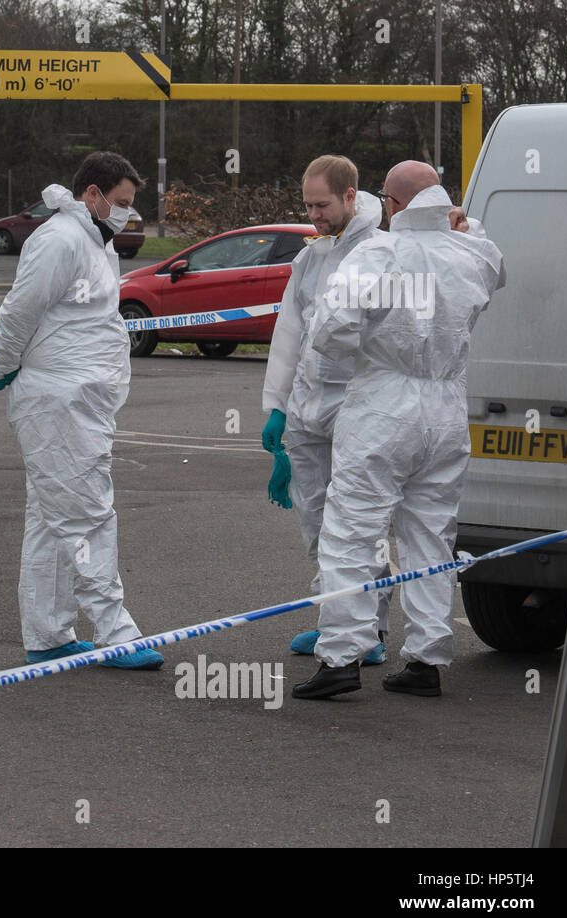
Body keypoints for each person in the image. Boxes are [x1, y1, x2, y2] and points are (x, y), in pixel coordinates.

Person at [292, 160, 505, 700]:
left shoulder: (380, 253)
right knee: (431, 531)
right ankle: (427, 656)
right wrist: (466, 225)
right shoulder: (471, 253)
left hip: (385, 403)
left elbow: (330, 331)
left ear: (391, 203)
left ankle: (342, 653)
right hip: (447, 403)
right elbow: (495, 263)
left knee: (351, 529)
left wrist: (366, 347)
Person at [0, 151, 163, 670]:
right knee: (86, 515)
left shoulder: (92, 242)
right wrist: (2, 366)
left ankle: (48, 632)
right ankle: (114, 631)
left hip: (79, 398)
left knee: (50, 517)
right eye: (122, 203)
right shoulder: (60, 240)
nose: (127, 213)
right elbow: (19, 310)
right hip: (58, 400)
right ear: (93, 194)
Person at [261, 156, 391, 665]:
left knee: (359, 525)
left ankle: (370, 627)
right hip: (309, 410)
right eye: (308, 205)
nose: (314, 214)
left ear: (351, 196)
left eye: (323, 204)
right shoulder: (310, 259)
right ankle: (333, 618)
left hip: (360, 406)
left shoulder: (381, 252)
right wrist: (277, 407)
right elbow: (288, 335)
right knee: (317, 521)